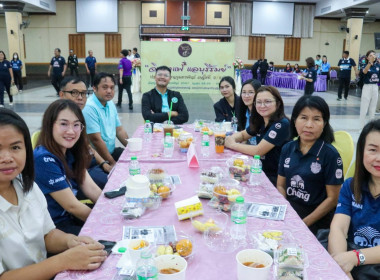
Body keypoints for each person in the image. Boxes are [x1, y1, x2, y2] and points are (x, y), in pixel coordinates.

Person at [0, 108, 107, 279]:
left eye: (15, 147)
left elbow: (47, 234)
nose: (7, 157)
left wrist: (70, 241)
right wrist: (62, 261)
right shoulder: (44, 159)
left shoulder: (27, 186)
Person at [34, 99, 102, 235]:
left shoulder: (71, 151)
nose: (71, 131)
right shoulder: (43, 159)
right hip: (53, 227)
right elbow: (72, 206)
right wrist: (104, 222)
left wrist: (112, 210)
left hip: (70, 218)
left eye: (76, 125)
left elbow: (90, 187)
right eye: (64, 124)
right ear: (49, 125)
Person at [277, 95, 343, 235]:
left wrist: (303, 223)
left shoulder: (330, 155)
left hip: (316, 220)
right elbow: (281, 185)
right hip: (290, 212)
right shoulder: (287, 148)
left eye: (316, 119)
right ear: (294, 120)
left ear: (324, 123)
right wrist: (285, 210)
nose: (309, 125)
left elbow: (333, 199)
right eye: (304, 118)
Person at [328, 119, 380, 280]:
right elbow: (338, 228)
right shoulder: (351, 186)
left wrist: (356, 257)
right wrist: (343, 268)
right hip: (351, 262)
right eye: (373, 150)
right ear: (361, 151)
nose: (378, 158)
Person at [225, 86, 290, 185]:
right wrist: (231, 138)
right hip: (259, 171)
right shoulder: (261, 120)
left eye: (267, 102)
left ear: (278, 103)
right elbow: (243, 135)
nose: (262, 106)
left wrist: (232, 145)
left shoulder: (281, 124)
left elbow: (258, 151)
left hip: (274, 177)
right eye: (259, 102)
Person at [58, 76, 111, 190]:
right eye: (74, 93)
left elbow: (86, 146)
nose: (80, 98)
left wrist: (103, 163)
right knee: (115, 185)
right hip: (80, 175)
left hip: (91, 166)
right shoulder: (57, 123)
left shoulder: (79, 117)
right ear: (61, 95)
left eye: (83, 93)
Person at [83, 73, 129, 166]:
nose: (109, 91)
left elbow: (119, 130)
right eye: (105, 87)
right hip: (95, 158)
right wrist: (112, 163)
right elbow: (96, 140)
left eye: (112, 88)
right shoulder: (89, 107)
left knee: (133, 160)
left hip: (110, 152)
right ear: (94, 88)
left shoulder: (110, 103)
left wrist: (132, 148)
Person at [359, 50, 380, 128]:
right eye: (371, 55)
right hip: (367, 87)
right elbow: (364, 72)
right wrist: (369, 63)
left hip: (375, 87)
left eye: (374, 55)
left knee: (372, 109)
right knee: (364, 109)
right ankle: (361, 128)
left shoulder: (378, 65)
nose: (373, 56)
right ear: (367, 57)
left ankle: (371, 128)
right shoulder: (364, 65)